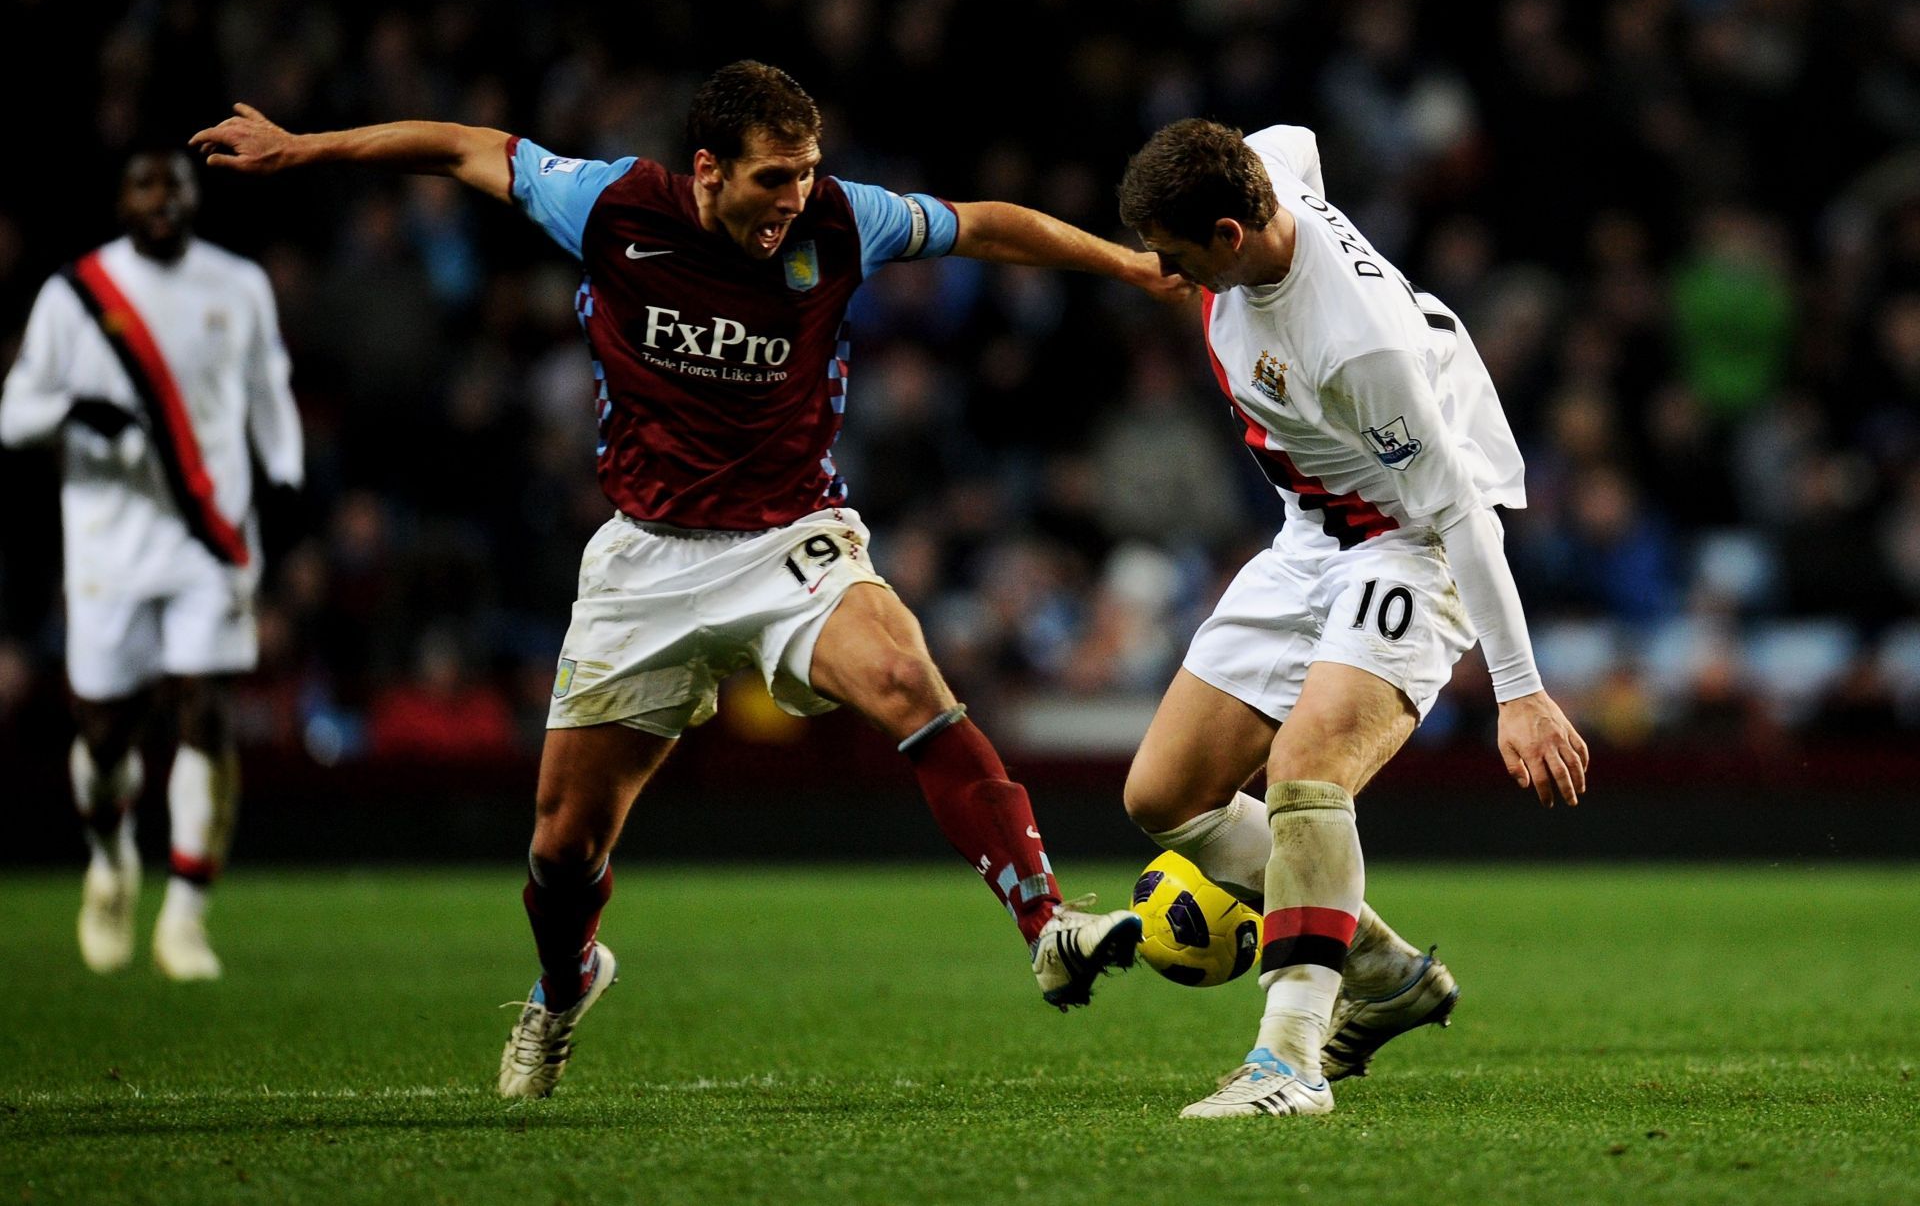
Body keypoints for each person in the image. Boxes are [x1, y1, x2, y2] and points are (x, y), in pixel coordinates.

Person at [191, 60, 1190, 1099]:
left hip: (790, 537)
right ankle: (566, 979)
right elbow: (456, 144)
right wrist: (305, 148)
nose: (794, 199)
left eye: (806, 174)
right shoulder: (609, 203)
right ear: (707, 170)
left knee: (905, 677)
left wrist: (1124, 266)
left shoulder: (848, 221)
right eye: (773, 178)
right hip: (647, 558)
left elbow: (985, 224)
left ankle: (1046, 919)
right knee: (562, 845)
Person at [1114, 120, 1589, 1119]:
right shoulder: (1268, 172)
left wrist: (1521, 692)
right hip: (1310, 529)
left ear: (1232, 237)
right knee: (1164, 795)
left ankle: (1289, 1060)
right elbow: (1294, 135)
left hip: (1411, 541)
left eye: (1176, 252)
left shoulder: (1354, 344)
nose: (1164, 270)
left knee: (1306, 774)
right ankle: (1382, 968)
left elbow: (1458, 510)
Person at [0, 149, 304, 981]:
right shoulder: (76, 294)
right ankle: (110, 861)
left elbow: (268, 387)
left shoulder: (237, 283)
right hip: (107, 542)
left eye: (175, 185)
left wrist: (285, 476)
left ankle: (185, 915)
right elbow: (13, 410)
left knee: (204, 711)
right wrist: (70, 408)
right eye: (145, 185)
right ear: (121, 199)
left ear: (195, 197)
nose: (162, 199)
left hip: (211, 537)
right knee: (104, 731)